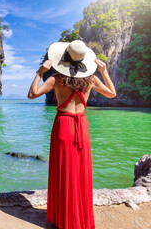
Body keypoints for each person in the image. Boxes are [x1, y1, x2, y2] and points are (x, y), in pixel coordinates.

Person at [27, 40, 116, 229]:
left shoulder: (57, 79)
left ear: (64, 59)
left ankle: (63, 219)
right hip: (81, 126)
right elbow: (112, 94)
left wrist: (40, 72)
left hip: (63, 126)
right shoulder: (90, 79)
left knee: (63, 171)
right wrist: (104, 71)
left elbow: (32, 94)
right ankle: (79, 218)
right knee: (80, 172)